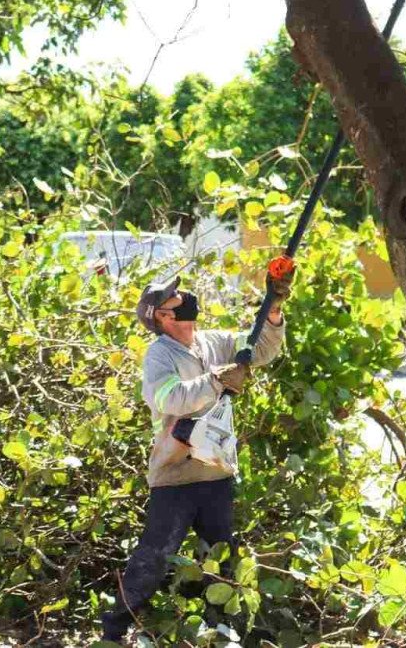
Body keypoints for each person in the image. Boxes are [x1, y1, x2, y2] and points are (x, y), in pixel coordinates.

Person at [100, 264, 294, 643]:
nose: (184, 298)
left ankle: (220, 628)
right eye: (175, 298)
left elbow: (262, 348)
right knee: (156, 555)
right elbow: (170, 397)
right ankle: (116, 626)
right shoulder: (159, 356)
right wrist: (216, 380)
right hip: (176, 474)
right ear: (162, 316)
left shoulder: (211, 342)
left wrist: (272, 310)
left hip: (216, 472)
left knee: (220, 554)